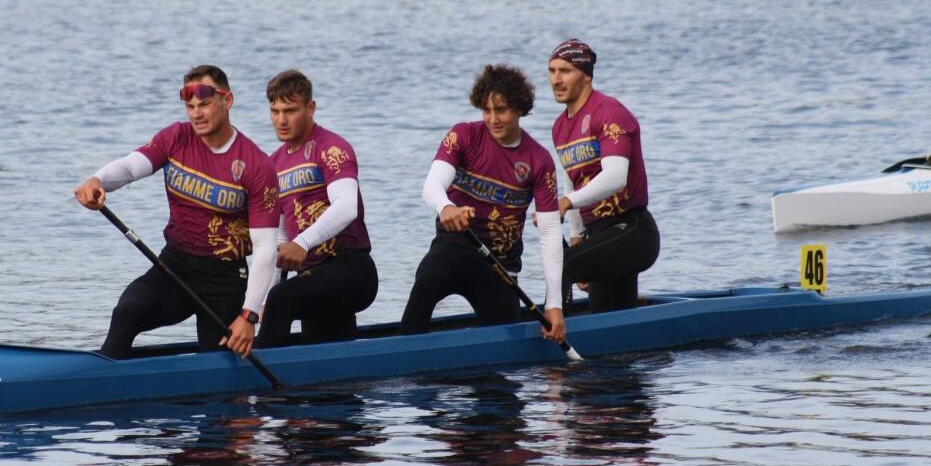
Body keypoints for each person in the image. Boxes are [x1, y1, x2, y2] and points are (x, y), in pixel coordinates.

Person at [73, 65, 279, 359]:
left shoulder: (257, 166)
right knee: (127, 312)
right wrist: (98, 179)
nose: (196, 113)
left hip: (225, 279)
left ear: (228, 101)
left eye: (205, 104)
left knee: (221, 372)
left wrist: (249, 316)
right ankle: (100, 382)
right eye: (190, 106)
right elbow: (132, 167)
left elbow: (265, 250)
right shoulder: (176, 138)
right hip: (175, 267)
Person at [400, 64, 566, 342]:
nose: (493, 119)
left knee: (501, 369)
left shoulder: (539, 160)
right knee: (426, 281)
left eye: (501, 110)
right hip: (455, 246)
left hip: (499, 267)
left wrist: (554, 305)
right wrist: (446, 208)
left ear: (519, 109)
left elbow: (549, 234)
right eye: (486, 110)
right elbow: (432, 186)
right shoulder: (464, 135)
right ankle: (402, 354)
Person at [257, 70, 378, 347]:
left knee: (283, 299)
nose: (281, 120)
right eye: (275, 111)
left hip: (352, 271)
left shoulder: (332, 148)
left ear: (310, 108)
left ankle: (257, 390)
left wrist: (302, 243)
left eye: (290, 110)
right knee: (333, 366)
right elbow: (281, 238)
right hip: (313, 278)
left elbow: (347, 208)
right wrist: (264, 300)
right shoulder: (272, 164)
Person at [549, 39, 659, 314]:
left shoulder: (610, 113)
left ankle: (556, 330)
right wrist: (576, 237)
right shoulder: (560, 126)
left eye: (565, 71)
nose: (556, 80)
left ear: (586, 75)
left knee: (561, 266)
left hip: (632, 231)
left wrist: (566, 203)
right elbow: (572, 179)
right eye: (551, 71)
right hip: (598, 235)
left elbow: (615, 177)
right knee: (612, 317)